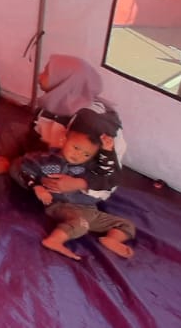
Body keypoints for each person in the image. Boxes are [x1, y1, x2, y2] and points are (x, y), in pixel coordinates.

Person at [12, 110, 134, 260]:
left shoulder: (89, 164)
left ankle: (111, 240)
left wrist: (108, 152)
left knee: (126, 225)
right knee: (80, 225)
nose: (78, 156)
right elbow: (23, 167)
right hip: (63, 206)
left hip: (89, 209)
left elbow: (108, 174)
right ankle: (54, 240)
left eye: (86, 154)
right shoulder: (47, 160)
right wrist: (36, 185)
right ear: (64, 138)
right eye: (76, 148)